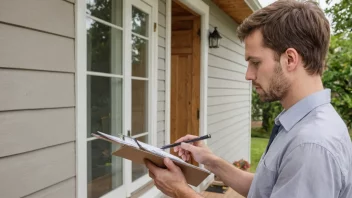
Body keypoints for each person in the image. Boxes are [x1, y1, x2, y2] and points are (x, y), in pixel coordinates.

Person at [144, 0, 352, 197]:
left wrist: (180, 191)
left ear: (290, 59)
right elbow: (266, 189)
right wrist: (211, 161)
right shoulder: (303, 124)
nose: (248, 75)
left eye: (255, 62)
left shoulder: (310, 146)